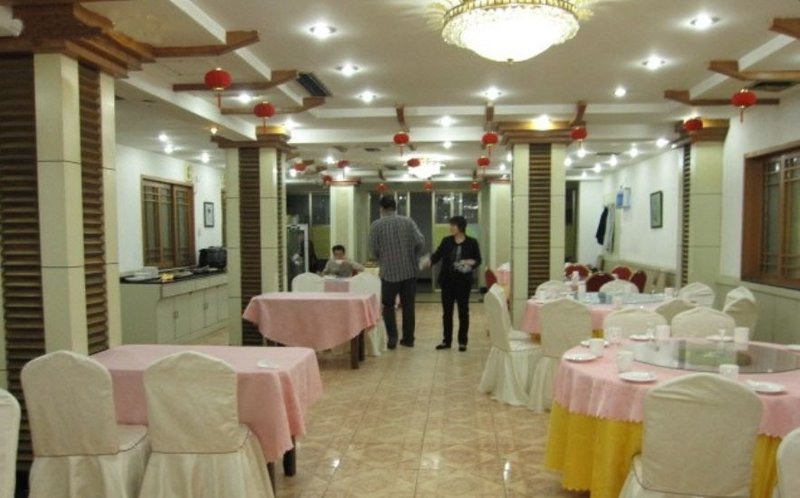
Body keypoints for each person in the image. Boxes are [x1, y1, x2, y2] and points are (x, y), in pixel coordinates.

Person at [369, 196, 426, 349]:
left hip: (388, 273)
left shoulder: (376, 225)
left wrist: (383, 256)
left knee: (388, 305)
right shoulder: (408, 221)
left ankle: (392, 339)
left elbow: (373, 251)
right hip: (409, 271)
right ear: (395, 207)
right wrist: (412, 253)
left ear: (381, 208)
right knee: (408, 305)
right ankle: (408, 339)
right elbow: (420, 242)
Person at [428, 215, 481, 352]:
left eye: (453, 225)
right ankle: (447, 341)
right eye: (450, 225)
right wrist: (429, 261)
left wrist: (468, 264)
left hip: (463, 283)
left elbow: (478, 260)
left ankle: (462, 341)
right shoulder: (446, 241)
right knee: (447, 312)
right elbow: (438, 254)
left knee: (463, 312)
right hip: (447, 282)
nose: (450, 227)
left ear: (460, 227)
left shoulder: (472, 242)